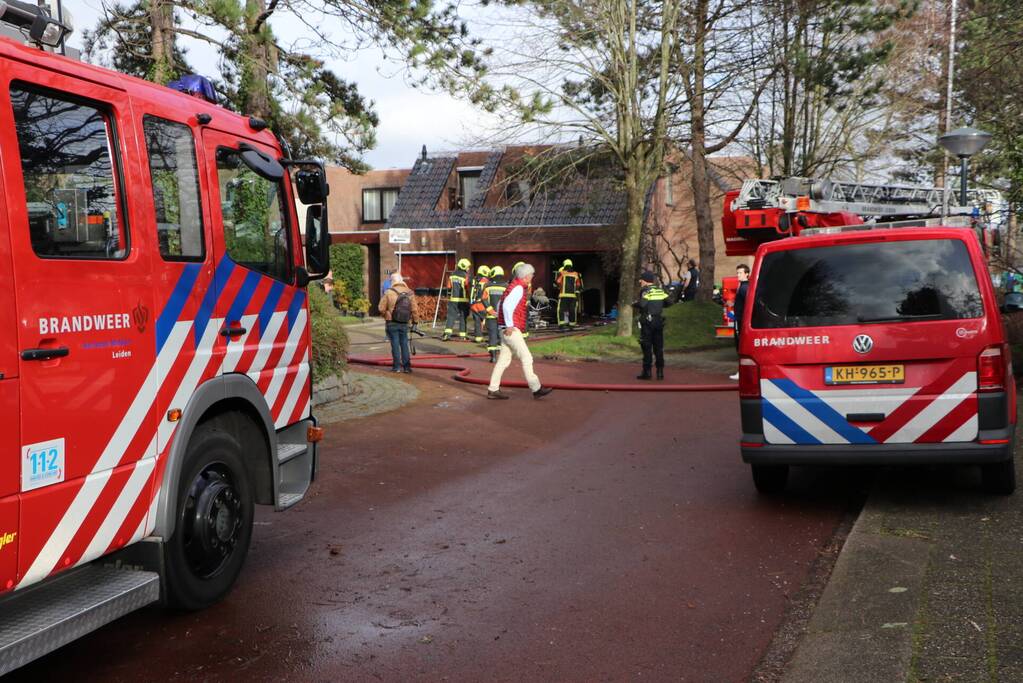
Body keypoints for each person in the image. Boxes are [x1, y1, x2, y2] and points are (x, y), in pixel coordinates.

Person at [487, 263, 553, 400]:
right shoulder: (518, 289)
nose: (533, 276)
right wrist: (509, 325)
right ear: (526, 276)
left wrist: (502, 323)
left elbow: (500, 305)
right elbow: (505, 306)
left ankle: (493, 389)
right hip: (511, 330)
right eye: (532, 274)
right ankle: (536, 388)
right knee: (527, 357)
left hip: (503, 329)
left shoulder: (511, 287)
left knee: (503, 361)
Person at [633, 270, 671, 380]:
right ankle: (660, 372)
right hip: (658, 321)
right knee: (658, 348)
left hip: (647, 323)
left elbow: (642, 304)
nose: (640, 281)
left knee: (647, 347)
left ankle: (647, 372)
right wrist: (658, 307)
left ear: (645, 281)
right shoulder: (660, 290)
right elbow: (669, 302)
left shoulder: (645, 291)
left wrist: (634, 304)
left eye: (641, 280)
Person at [378, 272, 419, 373]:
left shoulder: (388, 292)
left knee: (395, 344)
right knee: (404, 343)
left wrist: (386, 314)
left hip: (391, 322)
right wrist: (415, 322)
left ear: (393, 281)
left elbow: (380, 308)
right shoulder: (410, 292)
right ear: (401, 281)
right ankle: (407, 367)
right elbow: (414, 309)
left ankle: (396, 367)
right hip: (405, 322)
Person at [729, 263, 751, 380]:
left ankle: (741, 372)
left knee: (740, 346)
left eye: (740, 273)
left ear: (747, 274)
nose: (738, 275)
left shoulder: (744, 287)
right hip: (740, 319)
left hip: (740, 320)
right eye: (737, 272)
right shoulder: (742, 286)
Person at [442, 257, 471, 341]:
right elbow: (467, 287)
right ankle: (463, 335)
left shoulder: (452, 275)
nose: (468, 269)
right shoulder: (465, 276)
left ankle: (447, 334)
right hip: (463, 300)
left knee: (451, 317)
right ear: (464, 267)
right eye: (468, 267)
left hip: (453, 300)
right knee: (463, 317)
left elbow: (448, 286)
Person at [483, 266, 507, 362]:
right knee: (502, 336)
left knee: (492, 335)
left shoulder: (487, 286)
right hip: (502, 316)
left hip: (491, 316)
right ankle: (502, 356)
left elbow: (484, 299)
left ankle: (493, 357)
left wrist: (491, 310)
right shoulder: (506, 286)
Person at [555, 258, 582, 330]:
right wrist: (577, 295)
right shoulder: (576, 274)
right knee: (572, 310)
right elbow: (579, 285)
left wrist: (559, 286)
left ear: (564, 265)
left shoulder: (561, 273)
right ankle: (572, 325)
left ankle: (561, 324)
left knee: (560, 310)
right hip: (573, 296)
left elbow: (557, 282)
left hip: (563, 295)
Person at [470, 265, 491, 343]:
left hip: (473, 304)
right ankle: (492, 337)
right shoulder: (486, 281)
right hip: (482, 304)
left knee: (477, 321)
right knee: (489, 319)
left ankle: (478, 337)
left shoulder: (474, 280)